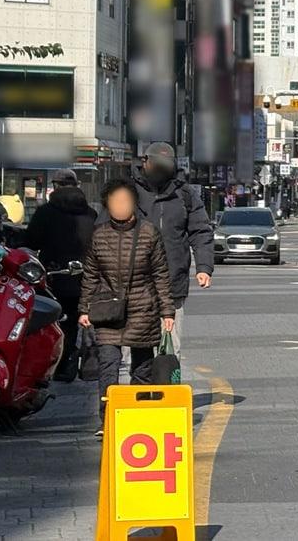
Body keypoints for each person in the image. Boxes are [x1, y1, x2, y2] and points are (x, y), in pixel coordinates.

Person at [79, 179, 174, 436]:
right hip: (107, 311)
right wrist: (84, 309)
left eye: (124, 201)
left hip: (143, 309)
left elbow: (160, 275)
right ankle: (108, 420)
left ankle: (139, 415)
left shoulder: (149, 233)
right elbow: (90, 275)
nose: (120, 206)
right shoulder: (99, 235)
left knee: (142, 368)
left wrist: (167, 311)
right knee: (108, 365)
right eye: (115, 201)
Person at [132, 143, 212, 352]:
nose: (161, 170)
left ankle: (165, 383)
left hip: (172, 283)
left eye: (165, 166)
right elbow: (104, 233)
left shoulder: (184, 194)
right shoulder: (127, 192)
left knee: (169, 349)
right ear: (145, 162)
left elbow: (201, 231)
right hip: (133, 285)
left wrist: (204, 267)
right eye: (157, 165)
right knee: (133, 351)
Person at [24, 170, 96, 381]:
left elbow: (31, 242)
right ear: (77, 186)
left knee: (48, 320)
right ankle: (69, 363)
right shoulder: (90, 214)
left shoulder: (45, 212)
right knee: (74, 321)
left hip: (52, 276)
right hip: (82, 276)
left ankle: (51, 363)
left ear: (55, 187)